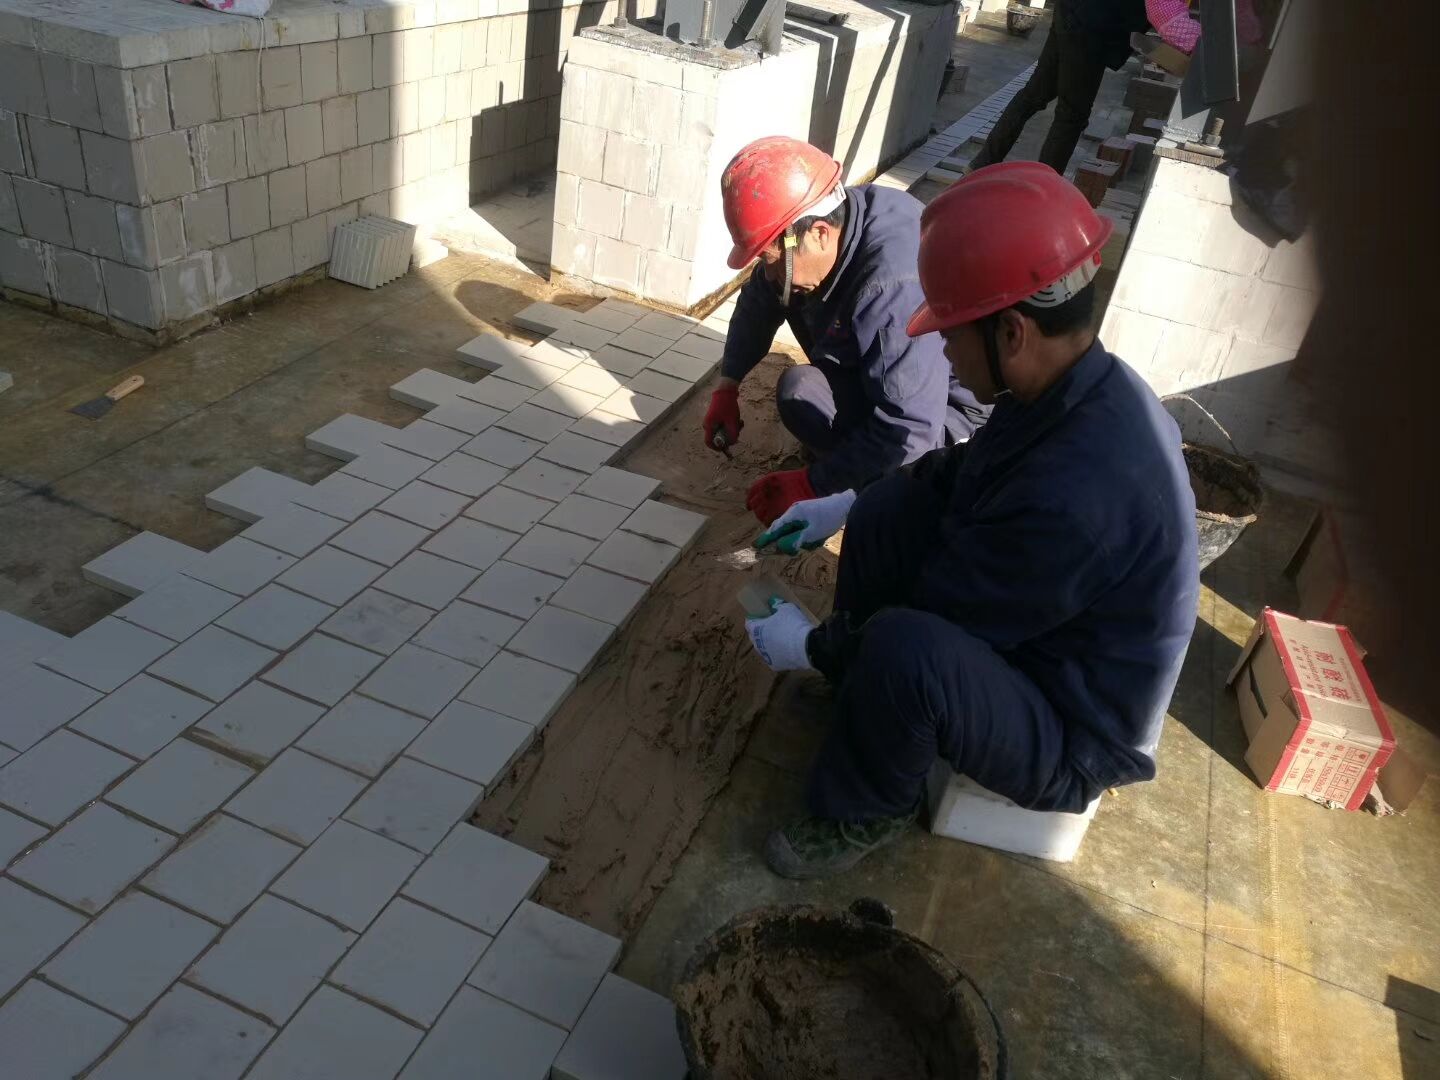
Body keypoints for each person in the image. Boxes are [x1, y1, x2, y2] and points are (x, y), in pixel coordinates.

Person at [743, 162, 1200, 879]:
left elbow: (947, 611)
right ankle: (863, 693)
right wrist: (843, 503)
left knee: (905, 648)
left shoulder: (1081, 494)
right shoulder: (1066, 388)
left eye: (952, 335)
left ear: (1011, 332)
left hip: (1070, 726)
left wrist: (814, 645)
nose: (947, 356)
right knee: (889, 506)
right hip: (1041, 637)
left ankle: (866, 809)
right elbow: (953, 473)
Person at [701, 136, 988, 526]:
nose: (768, 274)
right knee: (801, 390)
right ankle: (855, 463)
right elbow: (759, 301)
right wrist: (728, 384)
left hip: (944, 415)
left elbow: (911, 427)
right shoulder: (832, 220)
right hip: (892, 381)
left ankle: (868, 490)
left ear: (819, 233)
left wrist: (816, 484)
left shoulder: (890, 288)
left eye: (771, 261)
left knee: (891, 495)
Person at [968, 0, 1151, 175]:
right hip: (1091, 26)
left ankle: (982, 164)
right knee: (1071, 115)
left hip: (1071, 12)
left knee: (1032, 96)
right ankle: (1044, 186)